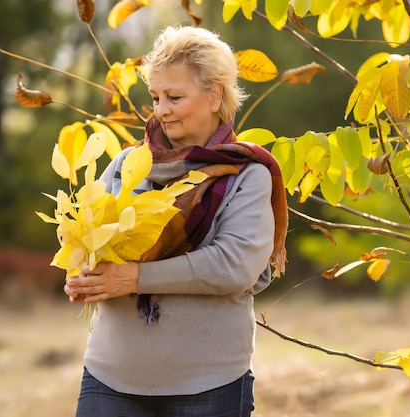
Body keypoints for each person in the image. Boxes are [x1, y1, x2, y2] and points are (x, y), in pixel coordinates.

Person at [63, 25, 288, 417]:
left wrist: (134, 278)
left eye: (174, 97)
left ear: (215, 95)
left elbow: (233, 266)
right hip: (110, 378)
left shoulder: (246, 175)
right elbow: (91, 243)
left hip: (209, 384)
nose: (161, 109)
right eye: (155, 97)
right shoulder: (125, 166)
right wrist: (84, 273)